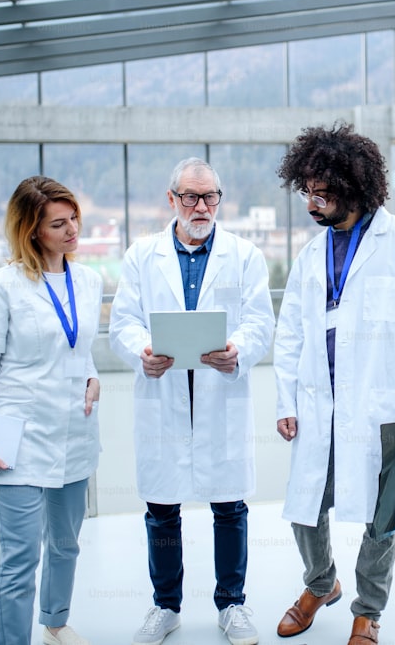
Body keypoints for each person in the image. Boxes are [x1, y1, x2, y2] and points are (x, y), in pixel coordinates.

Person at [273, 122, 395, 645]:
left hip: (383, 404)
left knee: (383, 513)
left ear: (351, 185)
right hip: (319, 404)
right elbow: (289, 335)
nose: (311, 201)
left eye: (320, 191)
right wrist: (286, 399)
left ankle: (368, 608)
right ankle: (320, 582)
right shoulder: (311, 255)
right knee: (305, 506)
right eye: (306, 191)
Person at [108, 157, 274, 645]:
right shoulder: (142, 256)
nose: (201, 207)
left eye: (210, 197)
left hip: (221, 395)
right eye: (190, 197)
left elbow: (260, 322)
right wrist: (141, 352)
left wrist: (238, 351)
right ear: (171, 200)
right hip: (164, 397)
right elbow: (123, 323)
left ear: (220, 199)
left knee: (230, 507)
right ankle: (165, 606)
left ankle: (233, 605)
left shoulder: (245, 256)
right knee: (161, 508)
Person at [0, 176, 103, 645]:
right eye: (58, 224)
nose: (72, 231)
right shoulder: (2, 285)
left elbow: (79, 349)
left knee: (65, 544)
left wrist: (93, 376)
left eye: (74, 219)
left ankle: (56, 623)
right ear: (32, 231)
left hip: (72, 429)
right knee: (20, 556)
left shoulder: (88, 280)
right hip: (13, 434)